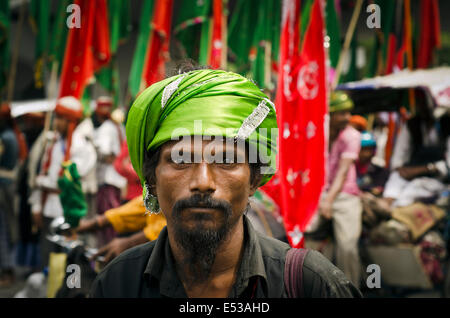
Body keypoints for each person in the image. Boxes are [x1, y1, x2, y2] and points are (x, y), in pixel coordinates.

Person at [90, 68, 361, 298]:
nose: (203, 182)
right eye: (181, 161)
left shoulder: (308, 283)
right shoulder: (118, 283)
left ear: (254, 179)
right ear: (151, 178)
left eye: (226, 161)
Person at [28, 97, 97, 269]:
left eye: (60, 118)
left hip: (68, 213)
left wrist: (42, 181)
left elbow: (65, 182)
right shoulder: (52, 142)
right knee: (47, 260)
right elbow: (42, 172)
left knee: (68, 263)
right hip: (48, 210)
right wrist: (36, 206)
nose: (55, 122)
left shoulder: (82, 146)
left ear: (71, 121)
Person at [317, 91, 363, 289]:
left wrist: (328, 201)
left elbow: (343, 172)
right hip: (320, 192)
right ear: (330, 114)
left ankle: (349, 290)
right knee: (302, 234)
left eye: (348, 112)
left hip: (344, 194)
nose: (346, 117)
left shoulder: (352, 136)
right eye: (341, 113)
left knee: (347, 247)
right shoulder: (319, 133)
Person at [382, 99, 450, 208]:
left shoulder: (446, 125)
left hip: (437, 181)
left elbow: (447, 167)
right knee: (395, 180)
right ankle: (385, 206)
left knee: (412, 192)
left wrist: (426, 169)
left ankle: (395, 212)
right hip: (408, 174)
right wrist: (406, 171)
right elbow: (397, 162)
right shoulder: (412, 125)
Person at [93, 96, 126, 246]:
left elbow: (105, 152)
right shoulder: (120, 127)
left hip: (109, 181)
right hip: (119, 179)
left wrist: (114, 158)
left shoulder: (107, 128)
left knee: (109, 219)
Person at [0, 103, 20, 287]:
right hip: (7, 187)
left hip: (4, 188)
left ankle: (8, 270)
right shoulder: (10, 136)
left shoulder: (6, 138)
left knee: (5, 229)